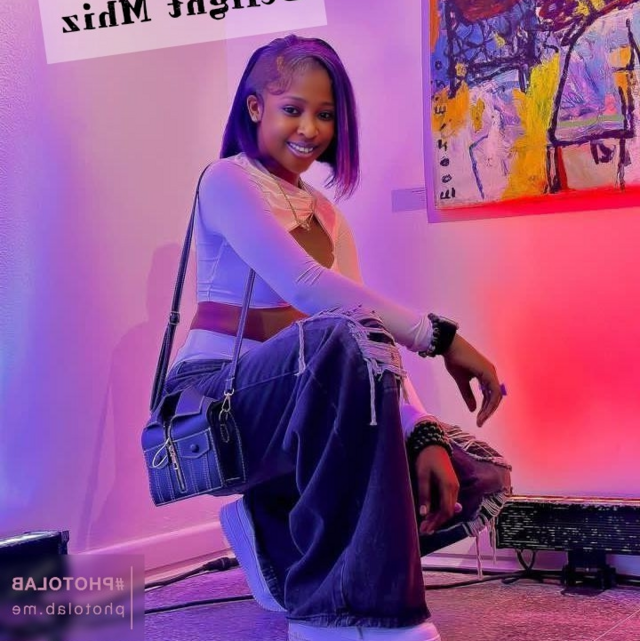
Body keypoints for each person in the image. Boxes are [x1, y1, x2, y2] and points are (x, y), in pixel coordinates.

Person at [163, 34, 511, 641]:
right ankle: (338, 615)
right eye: (292, 109)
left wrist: (423, 431)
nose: (310, 129)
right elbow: (306, 285)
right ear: (255, 108)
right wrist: (442, 338)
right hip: (218, 397)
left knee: (475, 474)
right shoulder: (225, 180)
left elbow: (367, 338)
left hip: (308, 396)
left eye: (325, 114)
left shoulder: (327, 215)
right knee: (336, 338)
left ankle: (280, 540)